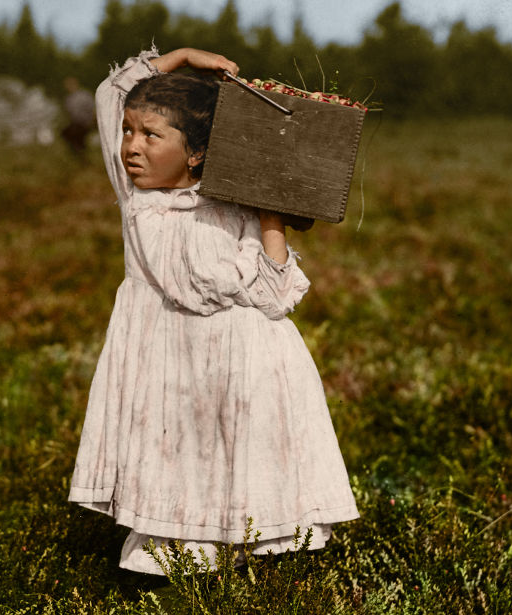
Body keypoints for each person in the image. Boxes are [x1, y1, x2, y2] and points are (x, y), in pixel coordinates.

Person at [68, 47, 359, 575]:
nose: (131, 145)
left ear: (197, 153)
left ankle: (259, 569)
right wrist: (179, 57)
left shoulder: (235, 205)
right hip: (166, 362)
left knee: (244, 461)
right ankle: (168, 574)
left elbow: (274, 299)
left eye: (151, 135)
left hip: (247, 365)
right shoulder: (137, 197)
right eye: (130, 132)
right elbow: (109, 96)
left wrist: (270, 208)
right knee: (176, 461)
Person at [61, 76, 96, 154]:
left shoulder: (84, 95)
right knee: (66, 133)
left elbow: (93, 109)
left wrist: (93, 122)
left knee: (77, 134)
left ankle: (81, 152)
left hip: (85, 122)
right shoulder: (68, 99)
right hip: (75, 123)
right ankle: (77, 153)